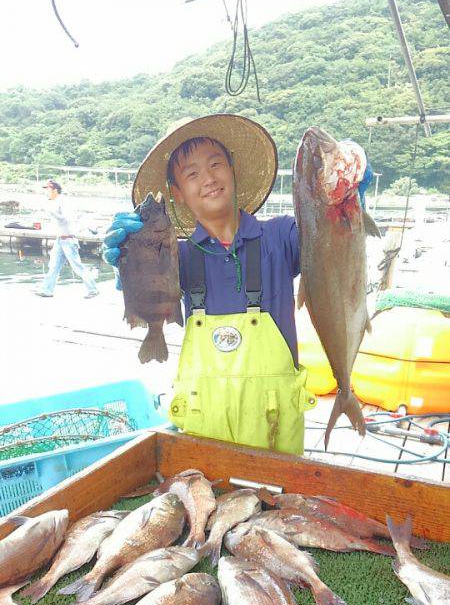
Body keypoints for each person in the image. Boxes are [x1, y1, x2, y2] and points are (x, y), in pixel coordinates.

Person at [103, 114, 371, 456]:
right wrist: (128, 260)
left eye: (216, 164)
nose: (208, 178)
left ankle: (345, 394)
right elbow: (149, 283)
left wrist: (351, 185)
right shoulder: (179, 258)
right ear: (178, 193)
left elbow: (331, 243)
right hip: (205, 435)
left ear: (232, 170)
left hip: (276, 436)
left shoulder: (282, 236)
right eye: (192, 174)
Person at [35, 180, 99, 299]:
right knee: (53, 266)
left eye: (48, 189)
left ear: (55, 190)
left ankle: (93, 290)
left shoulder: (63, 201)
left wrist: (51, 213)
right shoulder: (55, 202)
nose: (46, 192)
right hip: (60, 240)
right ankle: (47, 290)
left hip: (68, 240)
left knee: (77, 267)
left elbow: (66, 219)